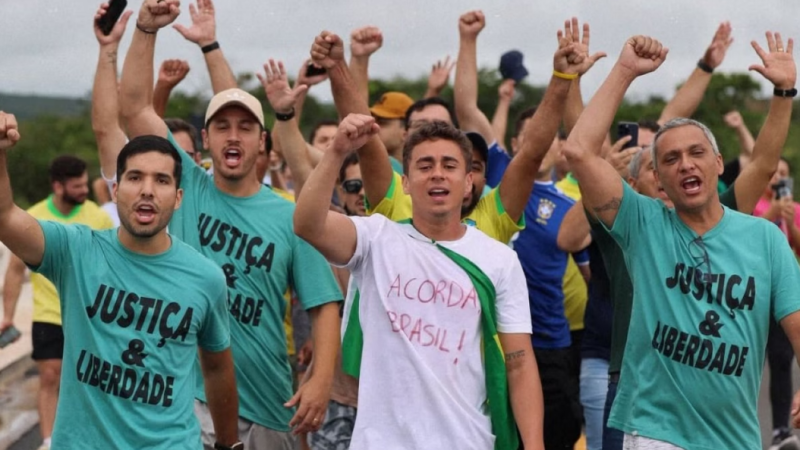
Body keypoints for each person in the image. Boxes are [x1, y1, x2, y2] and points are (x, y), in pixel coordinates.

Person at [118, 2, 342, 448]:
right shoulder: (190, 188)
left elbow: (324, 304)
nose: (233, 136)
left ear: (264, 142)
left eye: (245, 128)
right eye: (222, 127)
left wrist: (319, 381)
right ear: (206, 140)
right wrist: (144, 30)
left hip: (267, 402)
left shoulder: (290, 215)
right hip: (185, 395)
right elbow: (131, 110)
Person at [562, 32, 800, 450]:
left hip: (737, 437)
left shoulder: (763, 238)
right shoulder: (642, 224)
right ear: (656, 178)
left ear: (719, 163)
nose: (684, 164)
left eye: (696, 153)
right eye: (669, 159)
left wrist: (783, 92)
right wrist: (625, 71)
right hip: (655, 431)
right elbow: (580, 150)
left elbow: (796, 323)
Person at [294, 114, 544, 450]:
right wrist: (336, 151)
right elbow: (307, 225)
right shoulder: (375, 239)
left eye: (449, 165)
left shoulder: (498, 259)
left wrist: (535, 444)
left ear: (468, 181)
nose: (437, 173)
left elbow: (520, 363)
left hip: (466, 440)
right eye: (425, 166)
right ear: (406, 183)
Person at [0, 110, 239, 449]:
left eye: (162, 180)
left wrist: (229, 445)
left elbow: (217, 369)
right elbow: (6, 217)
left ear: (179, 197)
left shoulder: (206, 278)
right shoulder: (75, 252)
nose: (147, 190)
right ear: (115, 189)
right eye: (135, 177)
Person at [1, 155, 113, 450]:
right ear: (58, 186)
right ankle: (50, 441)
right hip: (49, 313)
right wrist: (8, 315)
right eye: (76, 186)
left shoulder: (98, 218)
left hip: (88, 315)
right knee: (49, 375)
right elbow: (15, 270)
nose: (84, 190)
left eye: (84, 184)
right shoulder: (34, 217)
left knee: (89, 381)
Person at [753, 156, 800, 449]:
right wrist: (771, 213)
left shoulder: (794, 210)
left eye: (783, 173)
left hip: (782, 294)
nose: (777, 178)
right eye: (773, 172)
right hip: (753, 293)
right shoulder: (755, 206)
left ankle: (781, 429)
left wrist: (789, 221)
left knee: (782, 362)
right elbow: (744, 238)